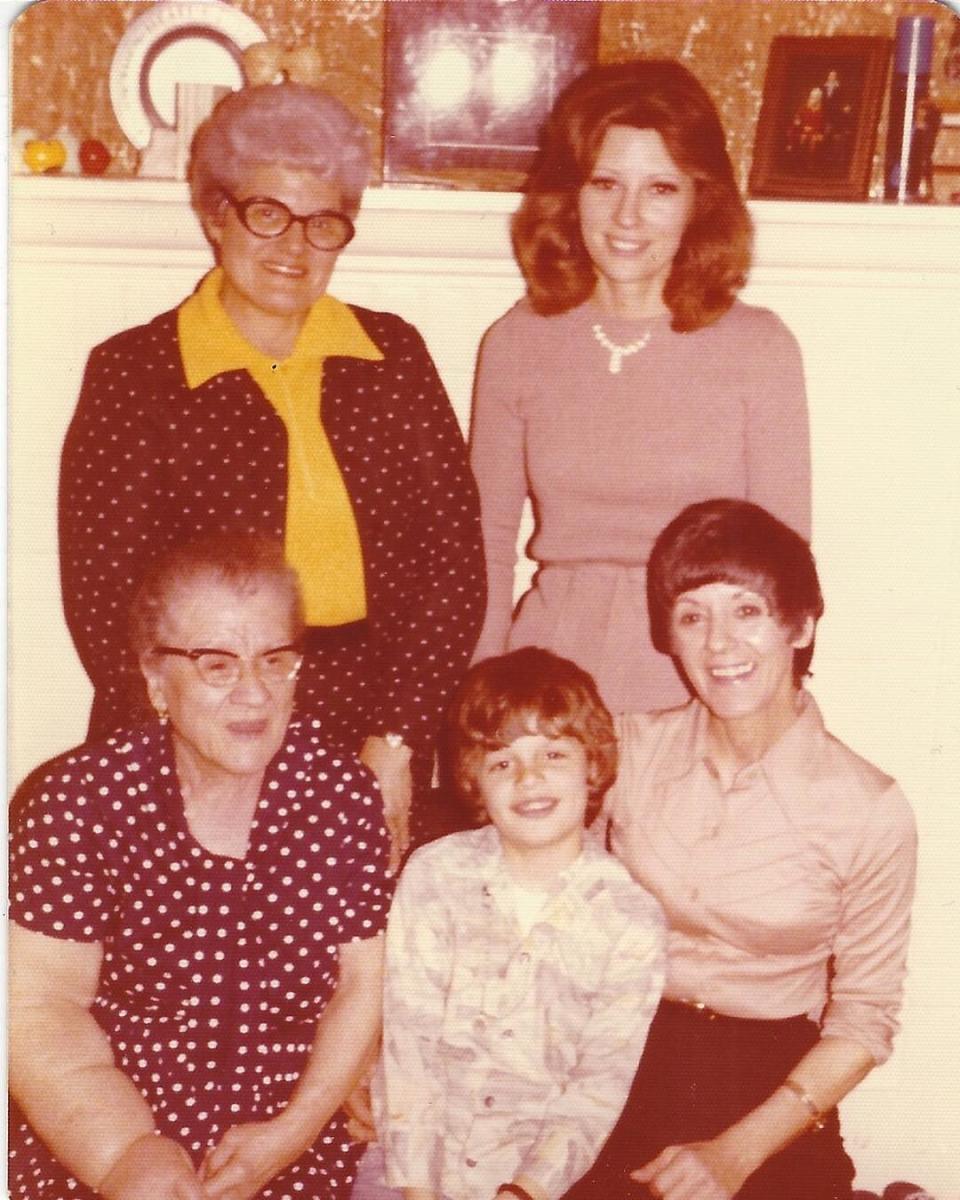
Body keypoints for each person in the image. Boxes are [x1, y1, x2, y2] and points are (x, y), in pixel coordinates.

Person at [58, 74, 485, 861]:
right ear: (217, 215)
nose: (294, 246)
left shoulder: (393, 356)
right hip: (197, 719)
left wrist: (397, 741)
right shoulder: (137, 372)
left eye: (324, 223)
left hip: (374, 714)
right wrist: (200, 748)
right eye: (268, 213)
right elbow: (105, 602)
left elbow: (453, 569)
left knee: (352, 960)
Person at [9, 533, 393, 1200]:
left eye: (275, 660)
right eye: (217, 665)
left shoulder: (340, 795)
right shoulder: (81, 801)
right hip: (102, 1130)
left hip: (284, 1135)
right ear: (156, 678)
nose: (254, 694)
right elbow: (40, 1007)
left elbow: (364, 986)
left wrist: (292, 1131)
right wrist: (127, 1153)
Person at [565, 499, 917, 1200]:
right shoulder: (626, 750)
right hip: (624, 1054)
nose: (719, 644)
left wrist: (734, 1155)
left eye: (746, 610)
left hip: (774, 1083)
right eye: (694, 615)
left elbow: (864, 1018)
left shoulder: (869, 809)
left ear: (801, 623)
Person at [470, 59, 810, 714]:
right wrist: (483, 703)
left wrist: (768, 714)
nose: (628, 216)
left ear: (698, 201)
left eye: (660, 189)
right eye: (604, 183)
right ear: (570, 193)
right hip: (551, 676)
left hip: (705, 676)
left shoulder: (759, 348)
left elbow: (784, 571)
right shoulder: (517, 343)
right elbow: (483, 549)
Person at [351, 646, 665, 1200]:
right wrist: (419, 1191)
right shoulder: (435, 876)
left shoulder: (632, 921)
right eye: (502, 762)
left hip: (530, 1182)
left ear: (593, 765)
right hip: (408, 1167)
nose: (528, 779)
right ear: (474, 780)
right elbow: (410, 1049)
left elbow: (595, 1093)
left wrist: (523, 1190)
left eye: (553, 756)